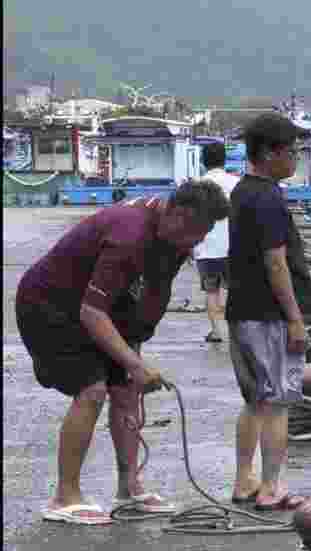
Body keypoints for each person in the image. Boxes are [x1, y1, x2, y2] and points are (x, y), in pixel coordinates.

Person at [15, 181, 231, 525]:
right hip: (49, 305)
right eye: (197, 231)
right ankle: (64, 497)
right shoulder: (129, 235)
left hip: (103, 308)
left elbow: (151, 298)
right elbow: (92, 312)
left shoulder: (176, 241)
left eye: (204, 234)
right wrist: (133, 362)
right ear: (177, 214)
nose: (198, 242)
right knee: (92, 390)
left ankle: (129, 488)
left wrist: (135, 357)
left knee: (127, 389)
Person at [226, 113, 311, 510]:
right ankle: (271, 487)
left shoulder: (242, 191)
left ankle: (245, 480)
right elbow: (275, 263)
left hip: (241, 311)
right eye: (291, 152)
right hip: (270, 317)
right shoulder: (269, 198)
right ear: (268, 153)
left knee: (255, 401)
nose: (295, 159)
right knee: (277, 403)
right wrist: (296, 319)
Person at [194, 142, 240, 343]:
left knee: (211, 291)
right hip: (234, 248)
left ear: (203, 161)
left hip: (206, 249)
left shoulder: (196, 186)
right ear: (224, 160)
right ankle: (237, 333)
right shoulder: (237, 183)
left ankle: (216, 332)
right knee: (236, 292)